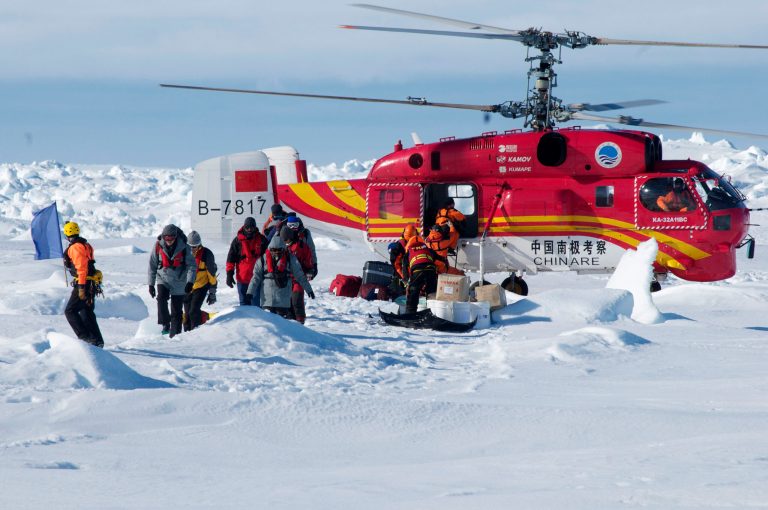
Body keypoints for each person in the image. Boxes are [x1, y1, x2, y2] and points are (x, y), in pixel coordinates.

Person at [246, 235, 315, 319]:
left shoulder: (290, 259)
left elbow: (300, 275)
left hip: (283, 301)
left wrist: (309, 289)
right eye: (274, 250)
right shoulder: (262, 260)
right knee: (268, 323)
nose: (276, 252)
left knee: (281, 323)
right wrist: (250, 292)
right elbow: (255, 278)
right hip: (268, 300)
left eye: (279, 250)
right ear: (270, 249)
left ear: (283, 249)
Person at [148, 224, 196, 337]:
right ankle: (165, 324)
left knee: (176, 311)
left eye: (171, 238)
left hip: (179, 281)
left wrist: (190, 282)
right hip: (163, 278)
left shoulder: (184, 247)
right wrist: (151, 284)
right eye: (166, 238)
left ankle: (175, 335)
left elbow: (192, 266)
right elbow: (152, 265)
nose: (169, 241)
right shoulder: (158, 246)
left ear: (176, 237)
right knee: (161, 298)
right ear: (163, 237)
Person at [62, 221, 104, 347]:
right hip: (90, 282)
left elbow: (81, 268)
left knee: (70, 311)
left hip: (84, 282)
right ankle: (97, 340)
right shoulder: (85, 244)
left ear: (67, 234)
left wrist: (81, 287)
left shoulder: (75, 247)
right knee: (86, 311)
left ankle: (85, 338)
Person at [226, 217, 268, 306]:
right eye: (247, 227)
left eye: (251, 227)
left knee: (256, 306)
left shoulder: (262, 240)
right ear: (244, 227)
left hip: (256, 279)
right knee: (244, 305)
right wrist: (229, 274)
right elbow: (230, 259)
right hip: (242, 279)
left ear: (255, 228)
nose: (249, 230)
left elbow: (268, 258)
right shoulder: (237, 241)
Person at [183, 231, 217, 332]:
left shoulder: (206, 254)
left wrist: (212, 292)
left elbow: (211, 274)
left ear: (199, 245)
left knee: (193, 311)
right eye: (190, 246)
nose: (192, 249)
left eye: (195, 246)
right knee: (187, 314)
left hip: (201, 286)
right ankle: (186, 334)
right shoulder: (183, 253)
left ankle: (196, 333)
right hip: (187, 287)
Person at [281, 226, 315, 323]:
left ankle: (300, 323)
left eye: (286, 239)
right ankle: (289, 323)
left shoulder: (301, 246)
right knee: (286, 303)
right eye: (283, 240)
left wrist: (310, 270)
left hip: (298, 279)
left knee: (297, 300)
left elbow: (308, 260)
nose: (285, 241)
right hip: (284, 280)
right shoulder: (280, 247)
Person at [403, 226, 439, 314]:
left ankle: (410, 314)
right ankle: (433, 313)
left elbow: (405, 269)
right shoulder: (427, 249)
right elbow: (440, 259)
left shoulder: (409, 252)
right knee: (431, 292)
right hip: (431, 270)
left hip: (417, 271)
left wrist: (407, 281)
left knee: (413, 292)